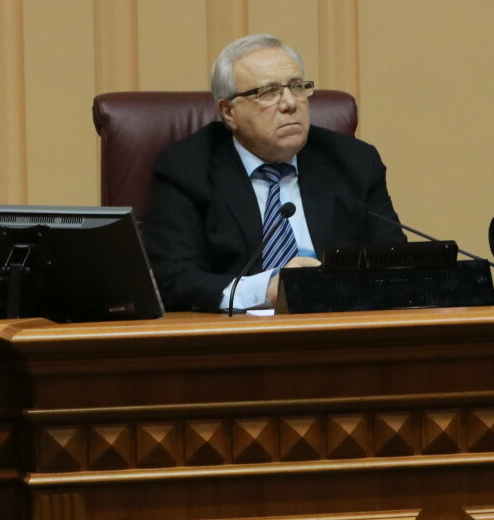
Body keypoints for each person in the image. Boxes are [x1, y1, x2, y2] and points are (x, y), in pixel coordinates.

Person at [144, 34, 404, 312]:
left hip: (342, 321)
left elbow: (397, 264)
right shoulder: (187, 168)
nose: (290, 103)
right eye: (268, 92)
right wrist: (265, 289)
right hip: (238, 331)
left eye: (297, 87)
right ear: (229, 112)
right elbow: (173, 278)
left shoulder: (354, 161)